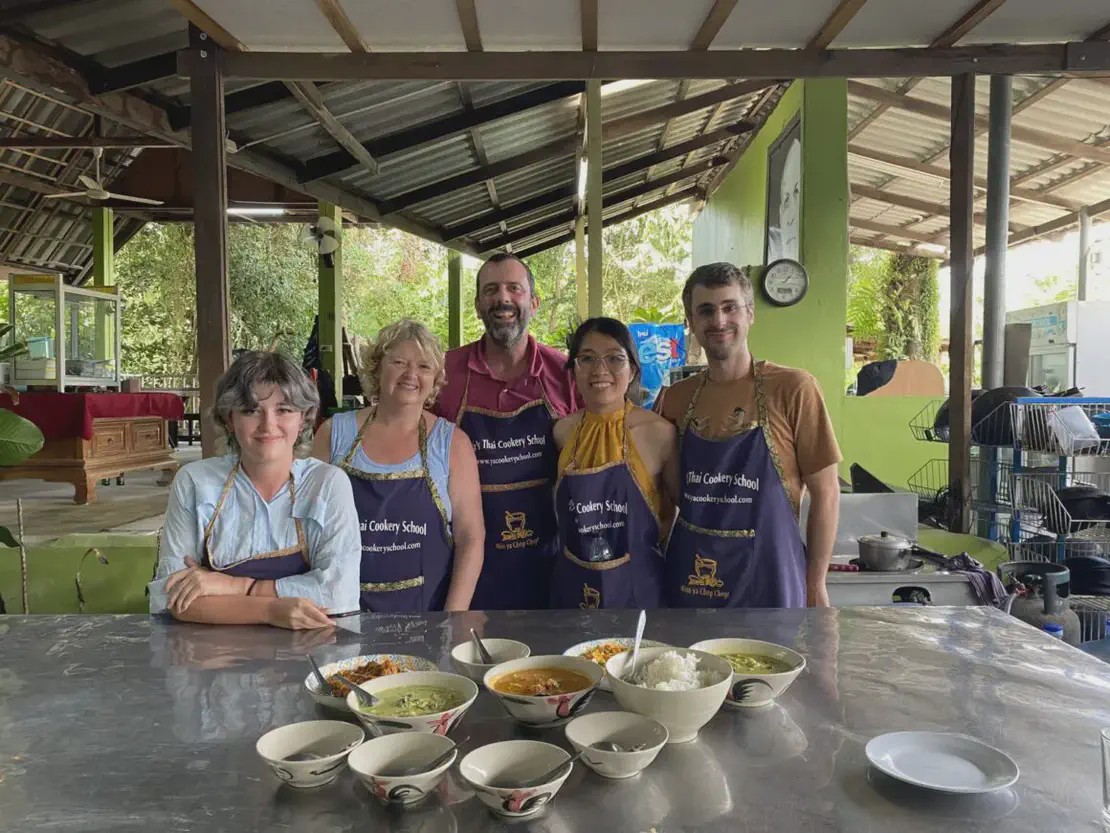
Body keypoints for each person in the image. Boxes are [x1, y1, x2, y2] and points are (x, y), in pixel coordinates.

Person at [655, 262, 841, 608]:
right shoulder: (675, 399)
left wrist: (815, 584)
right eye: (706, 311)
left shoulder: (793, 388)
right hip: (693, 582)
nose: (719, 321)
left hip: (770, 580)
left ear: (750, 314)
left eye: (730, 308)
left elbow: (826, 493)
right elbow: (664, 494)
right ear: (691, 322)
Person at [149, 351, 360, 629]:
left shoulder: (328, 484)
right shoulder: (195, 482)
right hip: (209, 659)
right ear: (229, 419)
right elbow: (172, 597)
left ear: (303, 418)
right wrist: (272, 610)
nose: (267, 425)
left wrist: (234, 586)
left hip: (307, 654)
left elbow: (338, 595)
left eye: (283, 410)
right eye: (250, 410)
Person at [435, 253, 580, 610]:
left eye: (514, 289)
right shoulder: (443, 373)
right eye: (491, 290)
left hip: (552, 562)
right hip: (467, 564)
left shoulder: (566, 374)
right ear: (477, 304)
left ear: (533, 301)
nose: (503, 299)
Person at [314, 320, 483, 612]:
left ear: (435, 379)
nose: (411, 375)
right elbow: (307, 527)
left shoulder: (453, 444)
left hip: (427, 619)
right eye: (399, 362)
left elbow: (470, 538)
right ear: (377, 368)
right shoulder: (334, 433)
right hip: (340, 616)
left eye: (424, 367)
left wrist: (452, 620)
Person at [550, 318, 676, 610]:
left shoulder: (660, 433)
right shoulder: (561, 432)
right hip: (572, 591)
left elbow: (678, 518)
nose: (600, 370)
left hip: (641, 591)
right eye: (587, 359)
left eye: (614, 359)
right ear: (574, 370)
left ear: (632, 370)